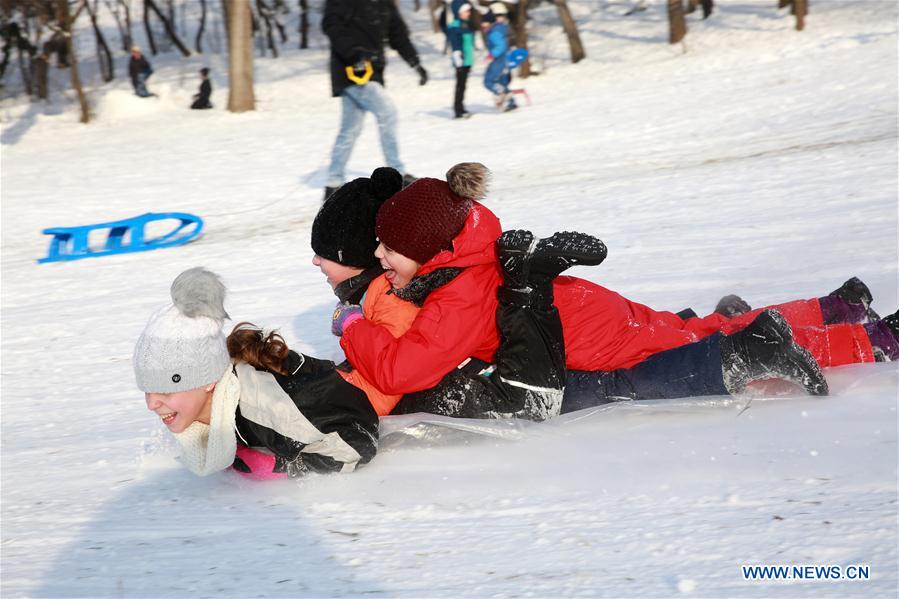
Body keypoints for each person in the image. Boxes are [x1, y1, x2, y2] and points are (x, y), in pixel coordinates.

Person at [334, 163, 894, 409]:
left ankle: (869, 343)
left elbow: (404, 369)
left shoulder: (457, 293)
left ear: (429, 250)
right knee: (699, 326)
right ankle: (834, 306)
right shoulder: (469, 246)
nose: (379, 256)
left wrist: (354, 327)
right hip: (589, 309)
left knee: (706, 343)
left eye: (388, 248)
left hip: (591, 339)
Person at [321, 0, 428, 201]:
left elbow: (398, 35)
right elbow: (332, 26)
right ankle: (397, 175)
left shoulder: (384, 3)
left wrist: (415, 63)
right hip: (350, 71)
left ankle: (333, 183)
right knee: (387, 113)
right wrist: (355, 53)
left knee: (349, 129)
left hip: (372, 72)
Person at [482, 3, 516, 112]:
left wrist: (492, 54)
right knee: (502, 82)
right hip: (505, 59)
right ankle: (511, 103)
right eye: (497, 16)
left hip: (499, 60)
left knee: (489, 81)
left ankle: (502, 94)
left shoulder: (495, 31)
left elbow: (501, 45)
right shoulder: (502, 29)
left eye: (501, 16)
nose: (499, 18)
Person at [443, 1, 475, 119]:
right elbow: (455, 44)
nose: (469, 13)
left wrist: (470, 61)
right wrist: (458, 58)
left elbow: (469, 44)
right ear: (459, 12)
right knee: (460, 86)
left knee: (463, 85)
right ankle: (458, 110)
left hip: (467, 61)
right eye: (466, 11)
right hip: (460, 61)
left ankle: (461, 108)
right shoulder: (455, 26)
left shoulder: (466, 25)